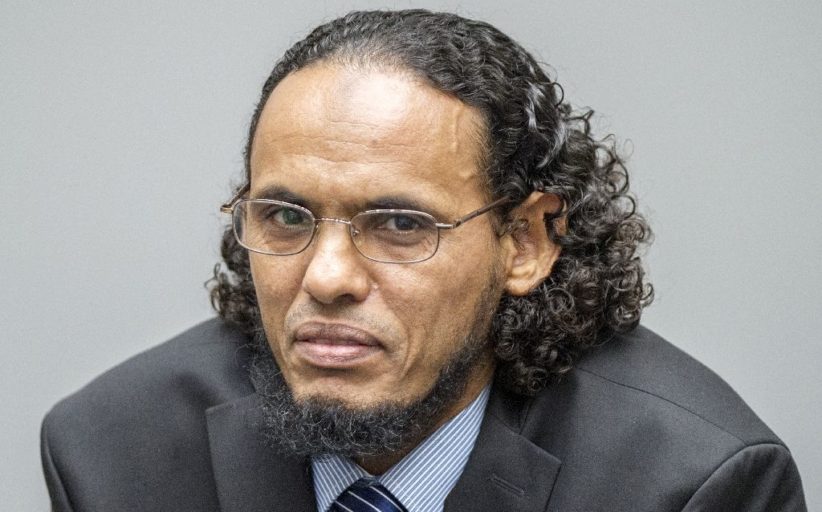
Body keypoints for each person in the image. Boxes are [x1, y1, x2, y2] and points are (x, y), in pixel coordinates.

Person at [41, 9, 806, 512]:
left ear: (525, 242)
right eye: (286, 217)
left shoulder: (690, 485)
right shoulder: (114, 453)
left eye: (400, 225)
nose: (326, 278)